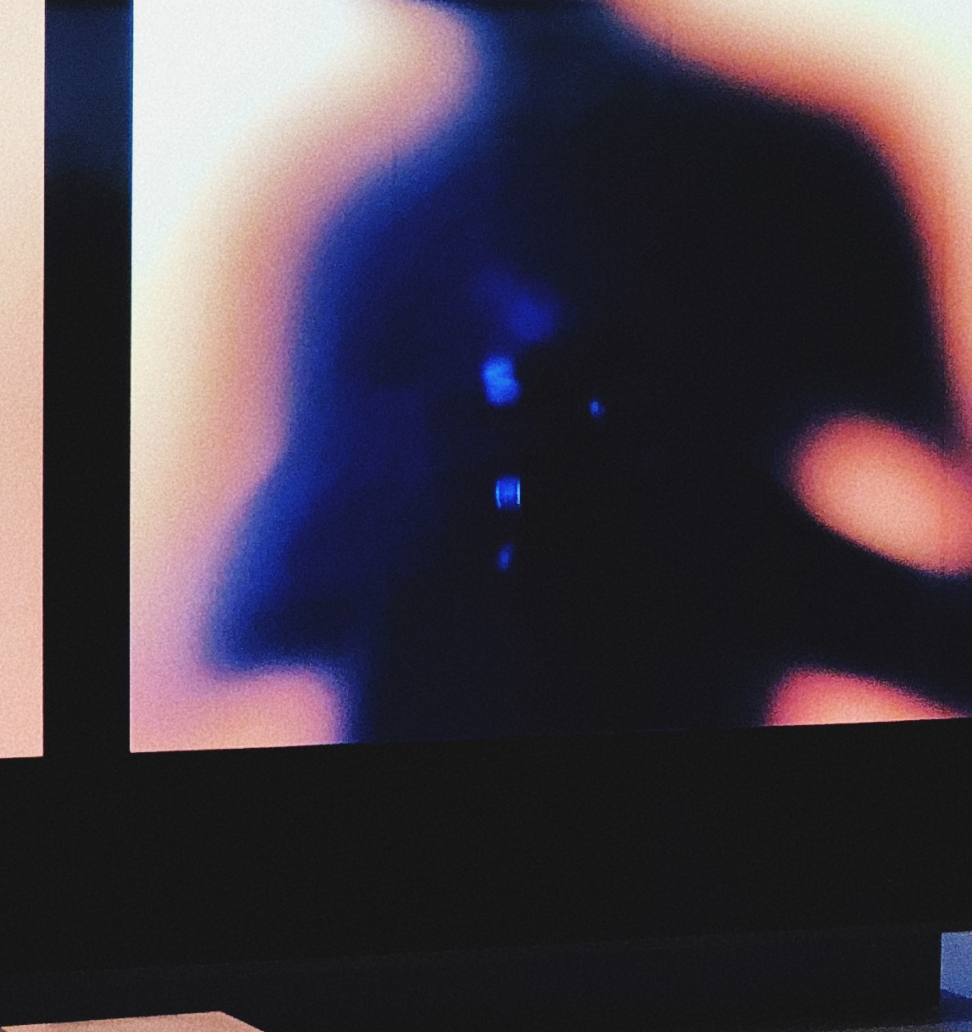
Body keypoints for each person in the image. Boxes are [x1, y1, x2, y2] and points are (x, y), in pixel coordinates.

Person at [213, 0, 972, 743]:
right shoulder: (379, 229)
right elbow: (257, 612)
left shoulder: (388, 223)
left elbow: (938, 514)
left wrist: (748, 557)